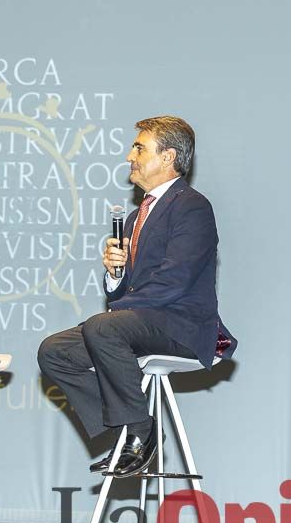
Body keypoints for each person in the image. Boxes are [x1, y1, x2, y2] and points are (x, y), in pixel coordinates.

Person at [37, 115, 237, 477]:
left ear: (168, 157)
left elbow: (175, 280)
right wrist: (115, 276)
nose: (130, 155)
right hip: (142, 321)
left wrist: (115, 312)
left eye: (139, 148)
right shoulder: (133, 218)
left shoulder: (191, 206)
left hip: (182, 326)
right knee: (55, 351)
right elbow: (128, 289)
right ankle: (130, 430)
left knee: (103, 327)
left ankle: (141, 435)